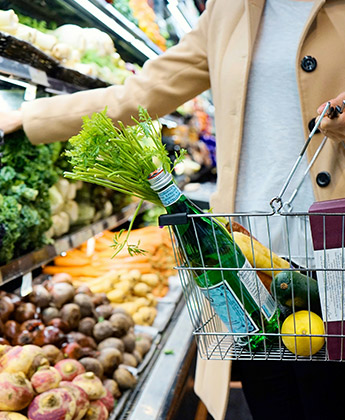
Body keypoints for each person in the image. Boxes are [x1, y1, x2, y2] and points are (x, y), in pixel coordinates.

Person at [1, 0, 345, 419]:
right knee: (275, 406)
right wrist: (29, 115)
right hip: (246, 266)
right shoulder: (231, 11)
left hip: (335, 258)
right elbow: (140, 94)